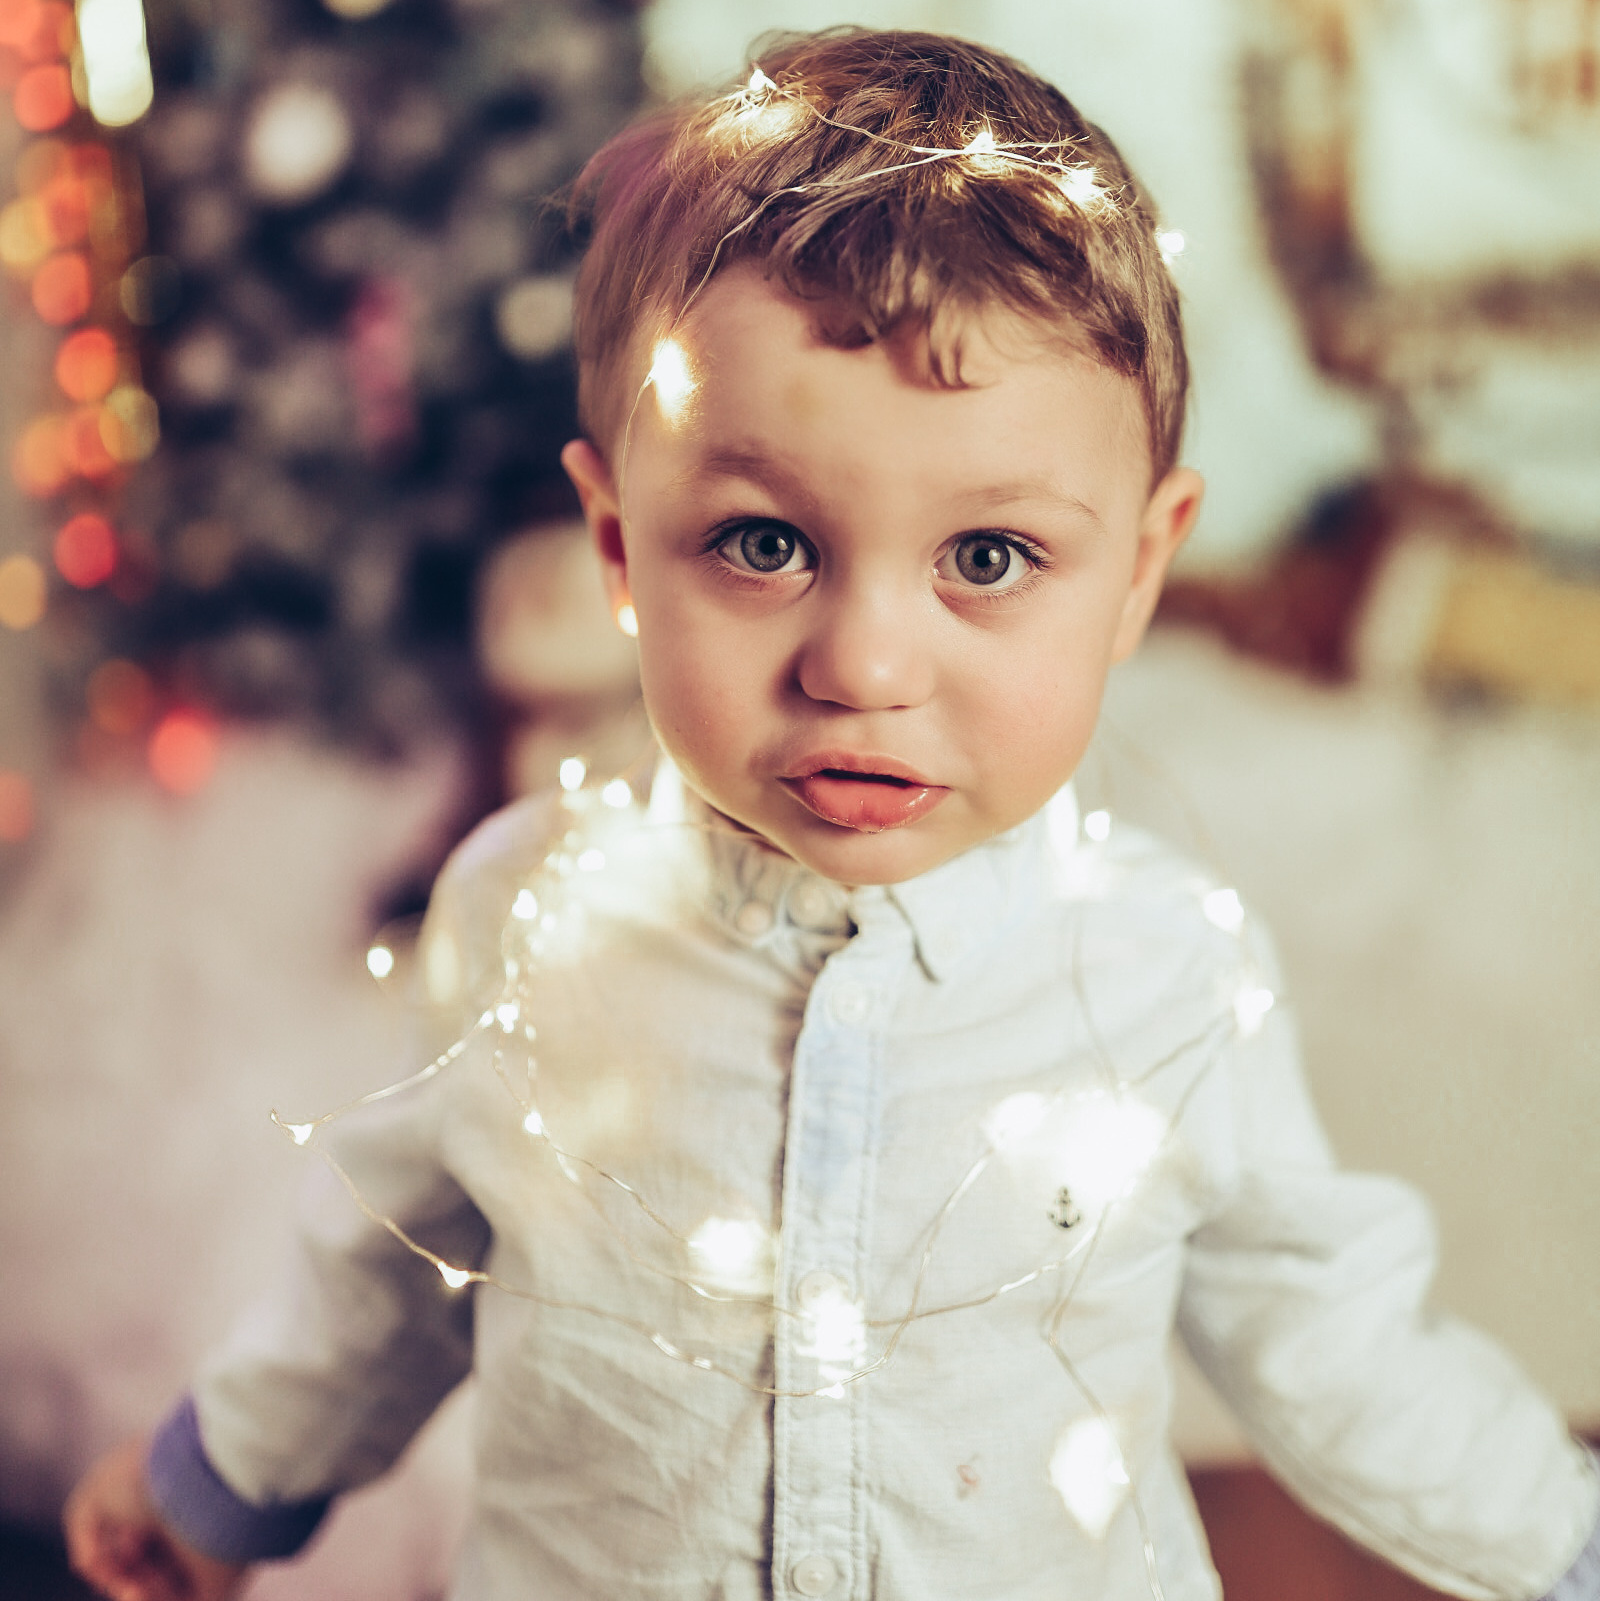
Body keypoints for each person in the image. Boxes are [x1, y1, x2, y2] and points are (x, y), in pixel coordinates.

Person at [63, 28, 1600, 1601]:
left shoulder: (1161, 974)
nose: (863, 662)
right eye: (760, 542)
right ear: (615, 541)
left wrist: (1563, 1541)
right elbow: (384, 1275)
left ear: (1140, 570)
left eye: (987, 558)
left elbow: (1336, 1342)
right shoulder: (533, 917)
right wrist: (219, 1483)